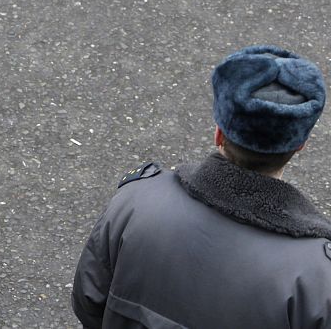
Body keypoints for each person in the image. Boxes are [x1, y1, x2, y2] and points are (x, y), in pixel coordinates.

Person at [71, 45, 331, 328]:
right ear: (300, 145)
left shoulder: (135, 201)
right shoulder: (317, 274)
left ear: (219, 132)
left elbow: (88, 303)